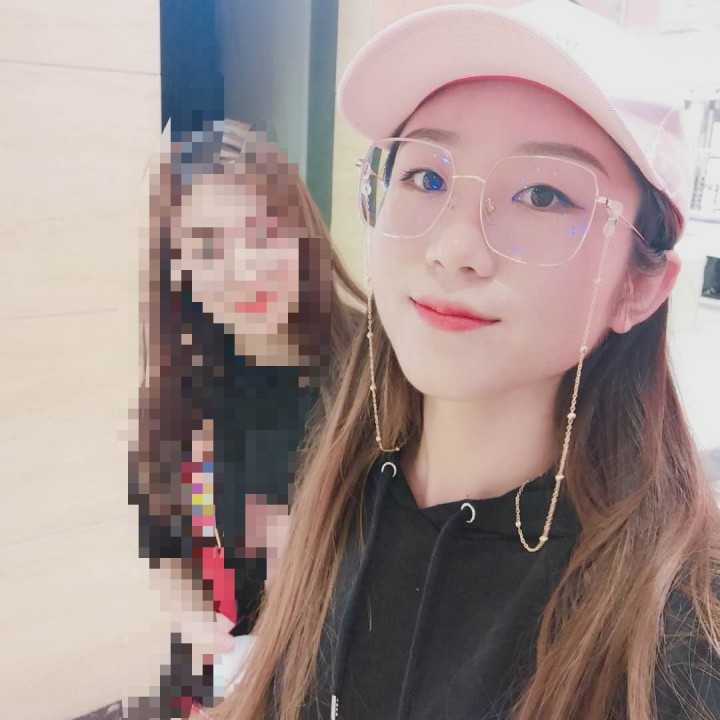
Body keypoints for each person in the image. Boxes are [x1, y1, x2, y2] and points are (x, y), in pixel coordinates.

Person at [203, 2, 720, 720]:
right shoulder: (338, 494)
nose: (454, 248)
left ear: (641, 284)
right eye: (425, 177)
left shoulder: (678, 646)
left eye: (542, 195)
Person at [127, 117, 364, 718]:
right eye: (208, 247)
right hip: (243, 685)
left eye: (264, 231)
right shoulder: (183, 393)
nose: (246, 267)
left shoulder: (377, 371)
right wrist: (193, 620)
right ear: (178, 268)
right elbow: (166, 544)